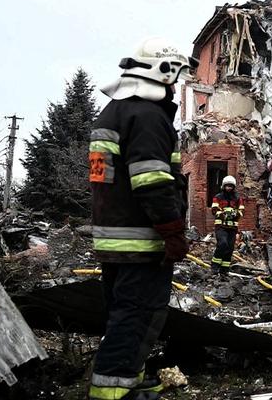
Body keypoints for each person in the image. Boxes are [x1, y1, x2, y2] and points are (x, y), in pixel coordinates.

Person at [88, 37, 196, 400]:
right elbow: (151, 181)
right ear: (163, 72)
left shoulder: (115, 112)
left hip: (114, 238)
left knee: (123, 315)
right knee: (137, 317)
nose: (178, 83)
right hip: (139, 240)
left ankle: (126, 379)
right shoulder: (147, 117)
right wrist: (173, 232)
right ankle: (114, 393)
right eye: (177, 74)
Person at [210, 175, 244, 275]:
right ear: (223, 186)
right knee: (222, 244)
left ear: (234, 187)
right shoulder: (218, 197)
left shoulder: (237, 198)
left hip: (233, 227)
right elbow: (214, 210)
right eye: (227, 186)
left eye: (231, 186)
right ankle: (215, 265)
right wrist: (223, 214)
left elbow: (241, 210)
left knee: (230, 248)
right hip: (221, 226)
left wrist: (235, 214)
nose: (229, 188)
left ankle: (224, 269)